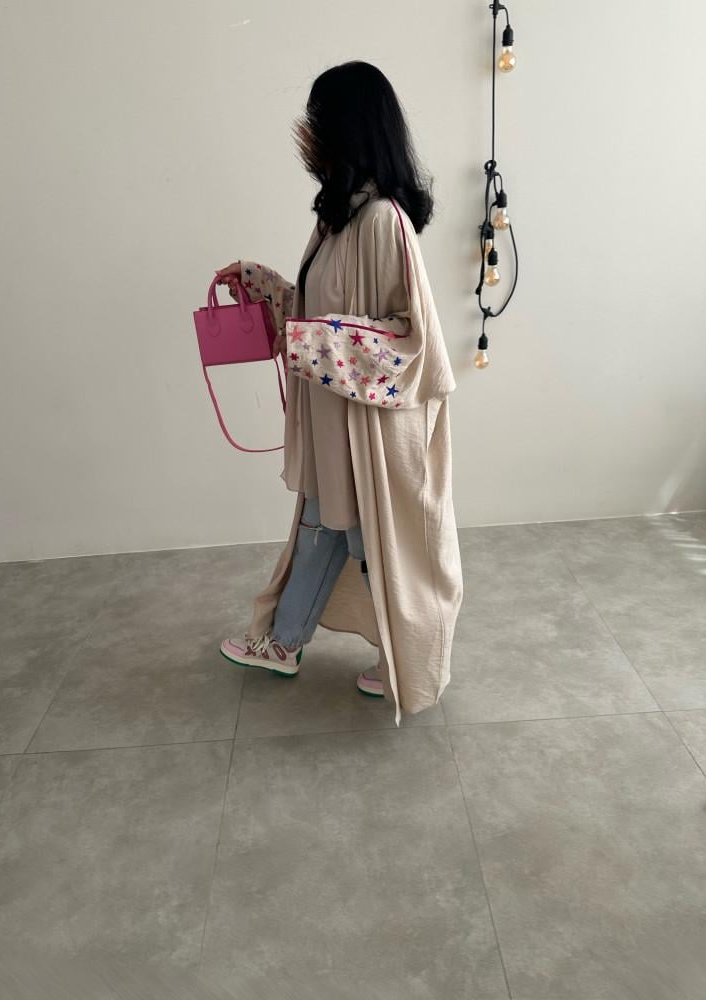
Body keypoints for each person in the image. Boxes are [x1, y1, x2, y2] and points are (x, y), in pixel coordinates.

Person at [215, 61, 463, 724]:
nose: (307, 132)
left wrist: (309, 339)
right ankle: (284, 642)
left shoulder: (383, 221)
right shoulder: (338, 219)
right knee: (326, 529)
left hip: (373, 431)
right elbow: (321, 314)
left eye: (317, 118)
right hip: (337, 423)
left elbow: (410, 340)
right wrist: (259, 283)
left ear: (345, 126)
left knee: (371, 545)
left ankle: (411, 660)